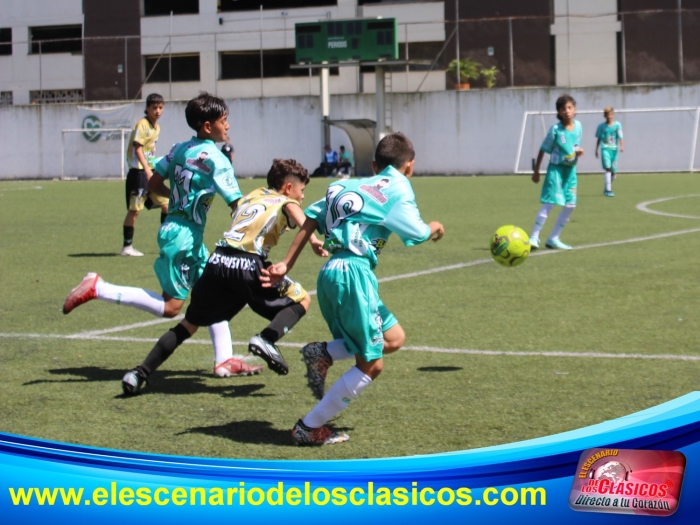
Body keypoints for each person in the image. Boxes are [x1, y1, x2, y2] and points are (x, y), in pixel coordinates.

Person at [262, 132, 445, 446]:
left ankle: (324, 352)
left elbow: (310, 220)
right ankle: (309, 426)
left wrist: (287, 264)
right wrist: (434, 226)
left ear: (374, 165)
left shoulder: (343, 185)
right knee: (371, 364)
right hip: (354, 275)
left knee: (394, 338)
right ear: (410, 166)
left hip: (332, 274)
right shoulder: (399, 185)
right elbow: (415, 234)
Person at [63, 93, 260, 378]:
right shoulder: (217, 159)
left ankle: (224, 359)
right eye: (224, 120)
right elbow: (237, 206)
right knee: (171, 307)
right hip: (184, 237)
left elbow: (153, 182)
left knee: (212, 293)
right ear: (207, 126)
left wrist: (180, 199)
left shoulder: (179, 149)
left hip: (176, 229)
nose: (228, 126)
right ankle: (98, 287)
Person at [121, 159, 329, 395]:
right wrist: (312, 239)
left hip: (218, 260)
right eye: (302, 191)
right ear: (289, 188)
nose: (302, 197)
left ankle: (139, 373)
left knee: (188, 324)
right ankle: (267, 339)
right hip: (247, 264)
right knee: (303, 300)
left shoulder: (252, 196)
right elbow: (299, 217)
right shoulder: (287, 201)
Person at [529, 94, 583, 251]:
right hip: (556, 171)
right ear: (558, 112)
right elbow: (543, 149)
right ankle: (534, 237)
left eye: (569, 108)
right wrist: (536, 171)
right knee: (551, 202)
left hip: (571, 171)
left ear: (574, 109)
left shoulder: (579, 126)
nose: (567, 111)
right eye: (563, 109)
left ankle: (553, 238)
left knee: (570, 205)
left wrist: (577, 151)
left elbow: (574, 145)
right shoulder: (555, 130)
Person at [122, 93, 169, 257]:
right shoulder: (142, 124)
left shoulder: (156, 127)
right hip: (139, 173)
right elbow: (138, 148)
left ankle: (165, 243)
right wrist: (148, 170)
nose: (158, 111)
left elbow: (150, 151)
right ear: (147, 108)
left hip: (150, 170)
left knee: (166, 205)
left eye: (161, 107)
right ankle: (127, 247)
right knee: (134, 210)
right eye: (154, 107)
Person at [595, 107, 624, 197]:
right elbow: (599, 138)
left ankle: (607, 187)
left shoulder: (617, 125)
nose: (609, 116)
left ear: (613, 115)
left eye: (611, 114)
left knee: (614, 173)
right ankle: (608, 190)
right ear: (605, 115)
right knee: (608, 168)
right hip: (605, 149)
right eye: (607, 114)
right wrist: (596, 150)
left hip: (614, 150)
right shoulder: (601, 126)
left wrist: (622, 146)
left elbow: (620, 136)